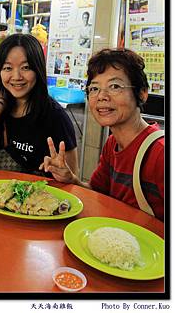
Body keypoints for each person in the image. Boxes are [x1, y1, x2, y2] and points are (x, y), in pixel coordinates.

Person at [40, 48, 164, 221]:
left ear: (142, 94)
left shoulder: (161, 153)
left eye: (115, 86)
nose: (101, 96)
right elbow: (98, 195)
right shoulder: (112, 144)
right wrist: (71, 179)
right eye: (94, 88)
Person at [0, 33, 79, 177]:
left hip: (44, 194)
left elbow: (72, 176)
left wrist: (64, 175)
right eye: (7, 68)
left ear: (38, 69)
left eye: (25, 67)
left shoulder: (56, 117)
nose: (16, 76)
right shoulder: (1, 106)